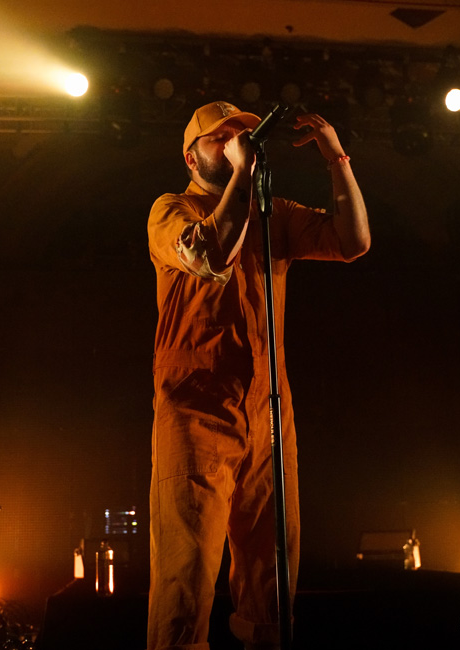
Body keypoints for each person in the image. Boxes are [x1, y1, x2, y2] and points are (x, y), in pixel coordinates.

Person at [146, 101, 369, 650]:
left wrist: (336, 157)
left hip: (268, 407)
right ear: (190, 154)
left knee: (272, 573)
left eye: (241, 136)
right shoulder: (170, 209)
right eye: (218, 139)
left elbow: (353, 240)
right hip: (196, 406)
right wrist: (244, 176)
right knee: (188, 572)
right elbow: (210, 255)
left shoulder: (273, 213)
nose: (234, 144)